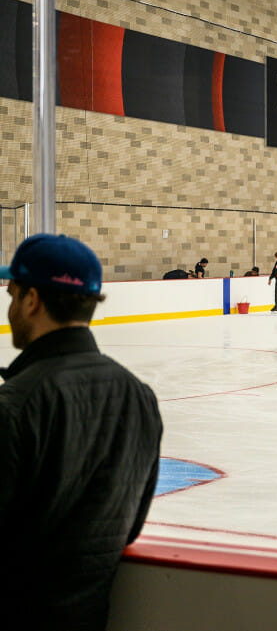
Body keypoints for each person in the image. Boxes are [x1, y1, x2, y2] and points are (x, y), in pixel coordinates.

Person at [0, 234, 163, 630]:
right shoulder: (139, 397)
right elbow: (130, 526)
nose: (9, 307)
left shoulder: (17, 404)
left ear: (32, 300)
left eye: (12, 293)